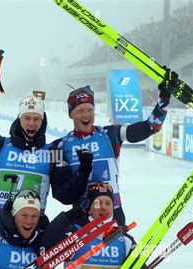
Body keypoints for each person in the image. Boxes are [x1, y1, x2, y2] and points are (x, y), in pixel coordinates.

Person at [0, 92, 90, 231]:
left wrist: (83, 171)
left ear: (43, 120)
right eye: (27, 118)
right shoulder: (0, 146)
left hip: (34, 223)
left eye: (36, 119)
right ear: (19, 119)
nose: (32, 124)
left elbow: (64, 195)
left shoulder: (53, 152)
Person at [52, 72, 175, 227]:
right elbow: (61, 194)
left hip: (114, 216)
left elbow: (150, 127)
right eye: (80, 110)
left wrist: (164, 99)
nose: (86, 115)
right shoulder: (59, 146)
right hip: (81, 221)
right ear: (71, 114)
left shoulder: (110, 135)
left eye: (90, 109)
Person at [39, 182, 175, 269]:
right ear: (90, 208)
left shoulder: (125, 239)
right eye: (98, 203)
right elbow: (47, 241)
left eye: (108, 203)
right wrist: (68, 217)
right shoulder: (73, 234)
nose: (103, 207)